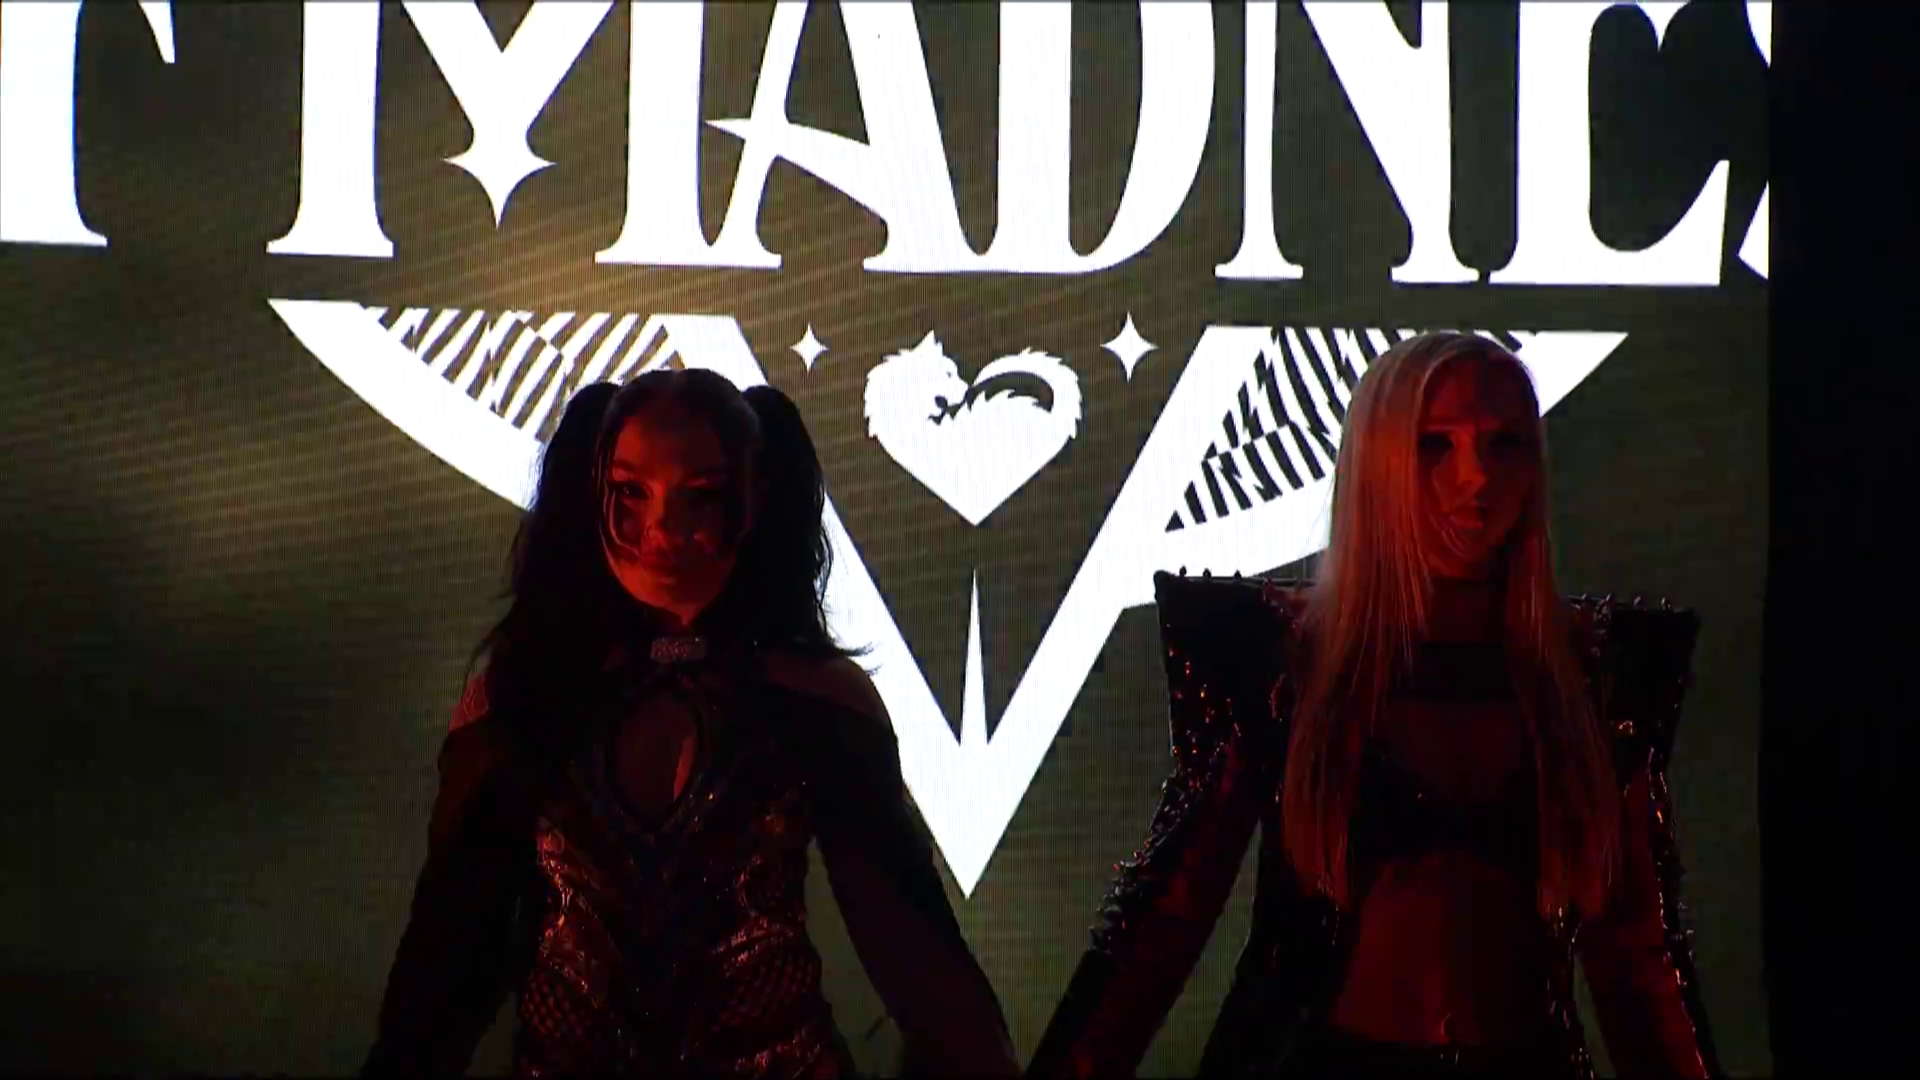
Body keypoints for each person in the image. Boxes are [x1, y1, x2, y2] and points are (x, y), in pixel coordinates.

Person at [1029, 332, 1718, 1078]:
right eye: (1434, 445)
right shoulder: (1281, 663)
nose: (1476, 478)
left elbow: (1639, 956)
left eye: (1506, 444)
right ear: (1376, 463)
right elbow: (1164, 920)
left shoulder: (1595, 674)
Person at [362, 372, 1017, 1077]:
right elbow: (450, 955)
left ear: (757, 498)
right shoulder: (521, 699)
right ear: (592, 492)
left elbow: (915, 954)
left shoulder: (816, 700)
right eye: (630, 492)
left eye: (701, 495)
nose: (663, 530)